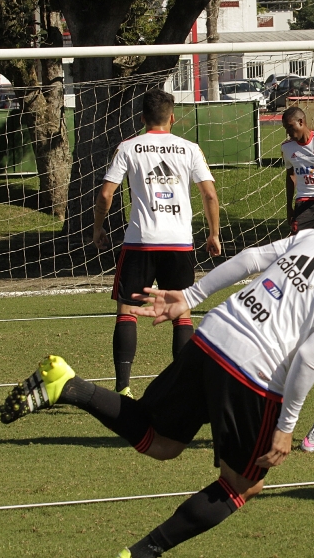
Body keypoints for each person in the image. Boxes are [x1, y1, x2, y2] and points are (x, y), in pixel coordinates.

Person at [1, 201, 314, 557]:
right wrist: (287, 427)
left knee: (161, 442)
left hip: (214, 334)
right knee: (243, 484)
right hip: (254, 372)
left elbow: (252, 258)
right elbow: (311, 356)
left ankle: (69, 386)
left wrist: (191, 296)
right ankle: (142, 553)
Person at [93, 89, 221, 398]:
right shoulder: (190, 149)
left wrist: (98, 227)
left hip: (140, 243)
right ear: (172, 118)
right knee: (181, 314)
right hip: (179, 244)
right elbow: (209, 194)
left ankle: (123, 387)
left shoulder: (128, 147)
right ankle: (184, 391)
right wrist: (214, 234)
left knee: (127, 311)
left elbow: (106, 194)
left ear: (142, 119)